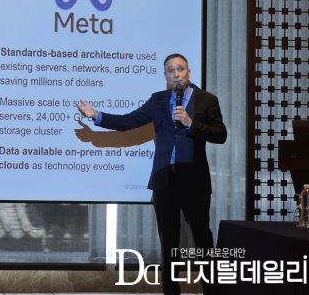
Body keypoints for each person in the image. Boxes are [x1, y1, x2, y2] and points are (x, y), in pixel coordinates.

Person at [77, 53, 226, 295]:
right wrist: (97, 116)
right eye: (170, 70)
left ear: (188, 72)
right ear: (165, 75)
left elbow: (220, 134)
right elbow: (128, 121)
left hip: (195, 180)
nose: (176, 73)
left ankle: (213, 291)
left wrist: (191, 123)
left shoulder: (207, 100)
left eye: (180, 69)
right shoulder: (158, 100)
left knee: (202, 240)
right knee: (168, 242)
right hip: (165, 179)